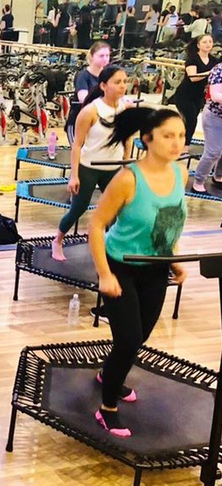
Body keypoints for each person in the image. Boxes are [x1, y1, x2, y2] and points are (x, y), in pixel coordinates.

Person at [88, 107, 188, 437]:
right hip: (121, 266)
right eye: (168, 136)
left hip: (155, 268)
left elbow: (168, 223)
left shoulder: (181, 175)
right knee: (129, 340)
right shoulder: (128, 179)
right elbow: (96, 225)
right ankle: (107, 409)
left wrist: (173, 259)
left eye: (181, 136)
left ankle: (108, 375)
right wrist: (105, 274)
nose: (176, 143)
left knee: (139, 337)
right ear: (147, 139)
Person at [51, 66, 130, 261]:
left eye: (124, 82)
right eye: (117, 82)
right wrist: (74, 175)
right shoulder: (90, 111)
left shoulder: (126, 109)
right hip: (88, 168)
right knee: (78, 208)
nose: (122, 86)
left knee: (116, 209)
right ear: (103, 86)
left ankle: (110, 246)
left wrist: (126, 166)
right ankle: (57, 241)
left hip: (113, 168)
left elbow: (128, 139)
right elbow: (77, 145)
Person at [173, 34, 218, 146]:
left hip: (198, 96)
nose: (208, 44)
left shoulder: (213, 61)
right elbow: (193, 77)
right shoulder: (192, 59)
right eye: (204, 42)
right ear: (198, 45)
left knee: (190, 121)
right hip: (184, 95)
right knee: (191, 119)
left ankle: (180, 141)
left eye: (210, 42)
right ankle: (184, 146)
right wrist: (209, 73)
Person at [65, 42, 111, 143]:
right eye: (101, 56)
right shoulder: (83, 76)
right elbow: (84, 99)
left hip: (100, 123)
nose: (105, 58)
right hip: (79, 122)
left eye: (107, 55)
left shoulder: (108, 76)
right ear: (92, 56)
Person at [192, 61, 222, 193]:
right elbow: (215, 96)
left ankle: (219, 176)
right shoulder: (219, 70)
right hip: (214, 116)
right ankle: (198, 182)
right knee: (213, 152)